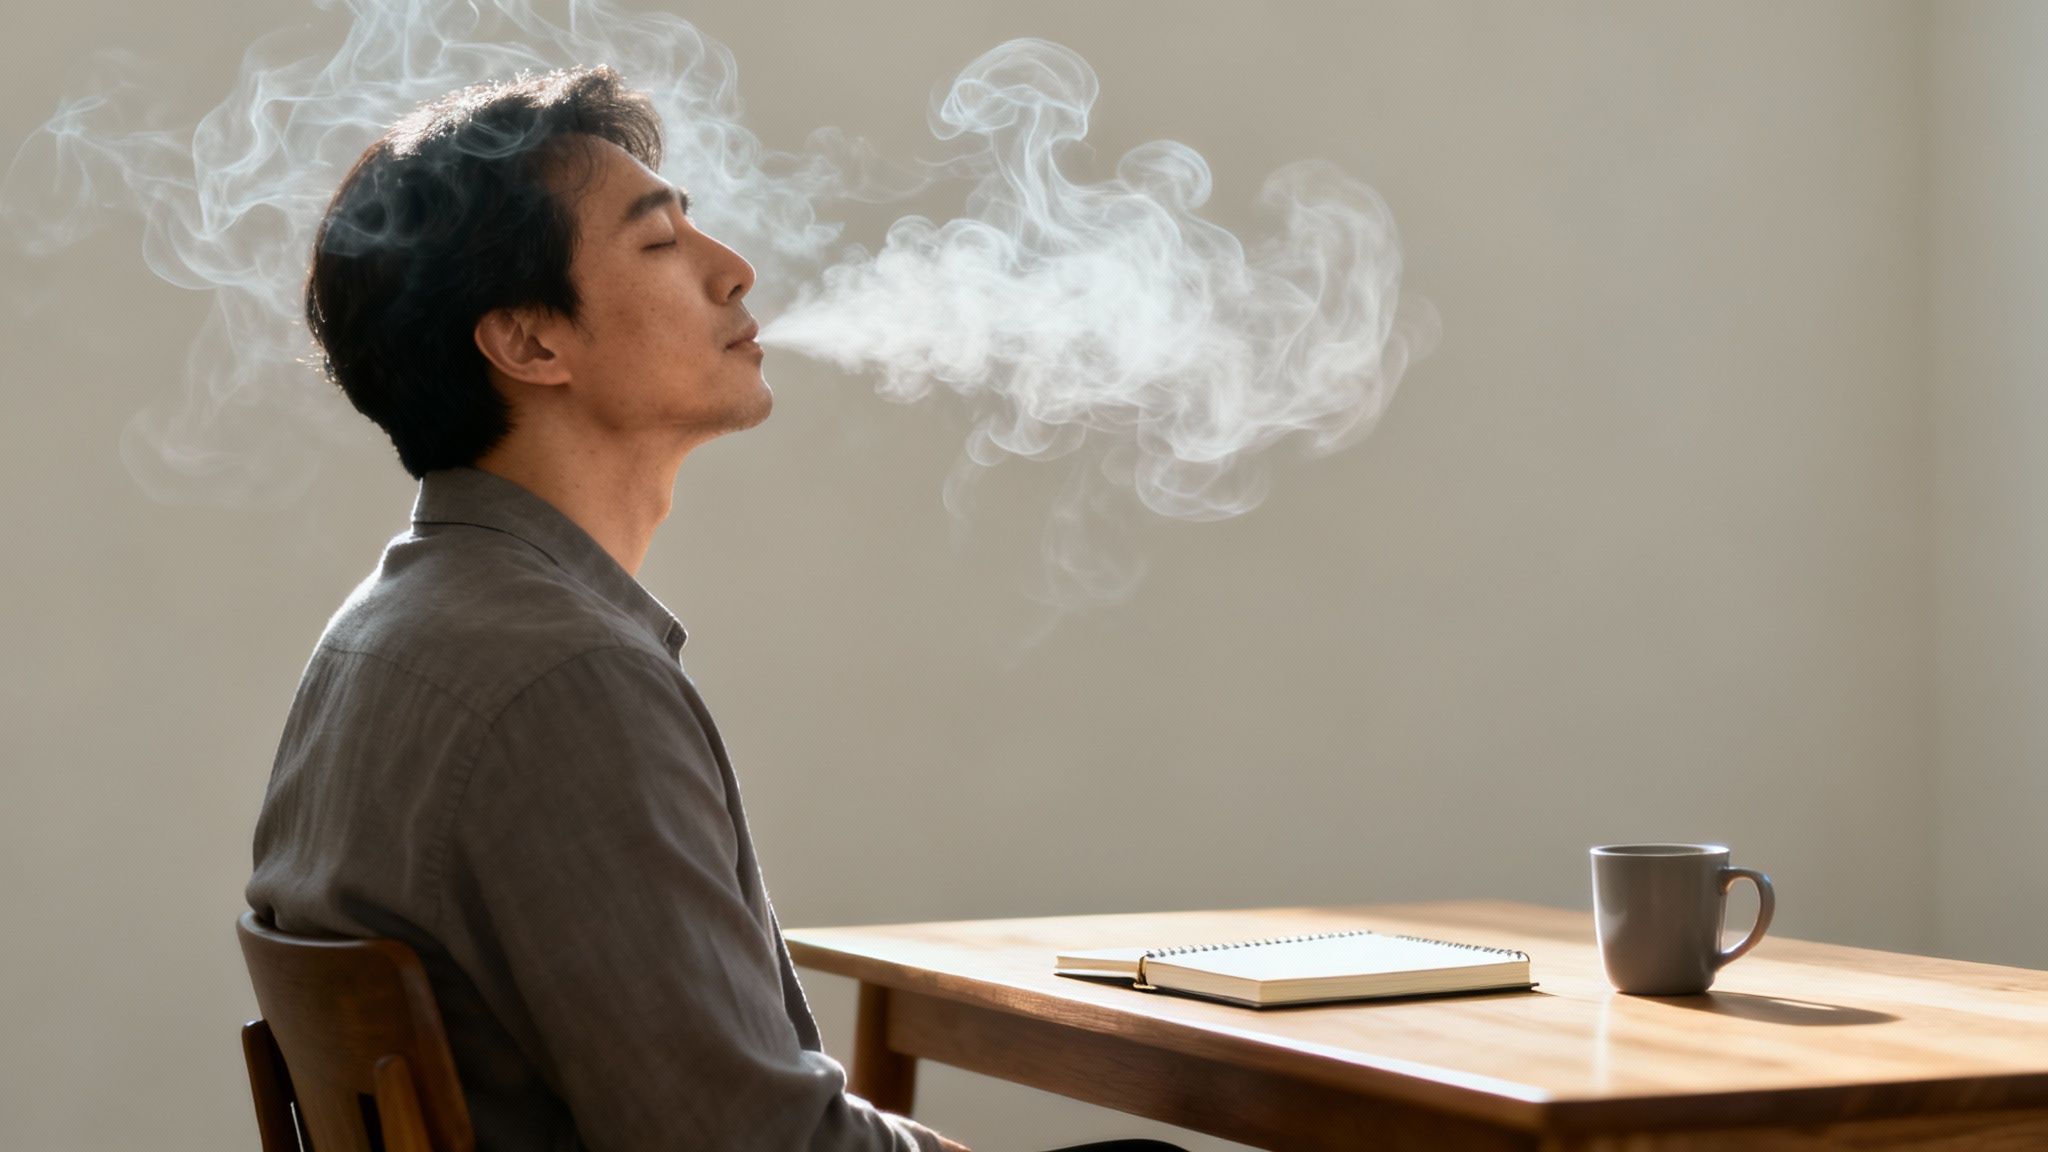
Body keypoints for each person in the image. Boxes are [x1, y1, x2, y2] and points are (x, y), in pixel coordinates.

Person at [243, 65, 1185, 1152]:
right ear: (528, 343)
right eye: (658, 243)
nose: (733, 271)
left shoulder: (384, 633)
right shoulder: (563, 683)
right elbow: (745, 1140)